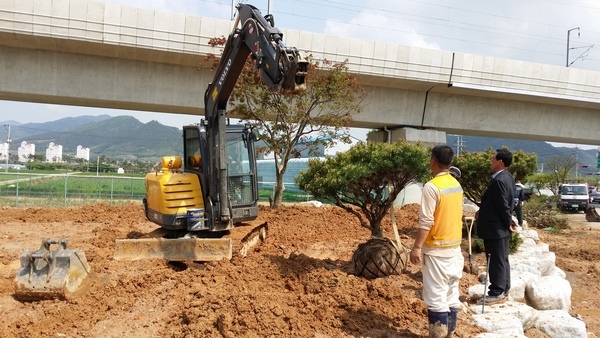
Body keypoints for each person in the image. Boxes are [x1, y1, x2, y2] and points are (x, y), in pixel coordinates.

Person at [410, 145, 464, 338]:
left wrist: (416, 247)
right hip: (455, 249)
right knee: (451, 295)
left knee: (436, 297)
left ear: (433, 160)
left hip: (436, 251)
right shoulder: (456, 185)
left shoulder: (432, 187)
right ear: (450, 163)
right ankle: (450, 334)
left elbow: (426, 221)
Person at [476, 149, 517, 305]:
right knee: (502, 259)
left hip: (496, 228)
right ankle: (504, 289)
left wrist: (509, 222)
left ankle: (497, 292)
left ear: (501, 162)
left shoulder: (499, 180)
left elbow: (503, 205)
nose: (491, 161)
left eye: (493, 158)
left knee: (495, 260)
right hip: (499, 228)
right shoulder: (508, 177)